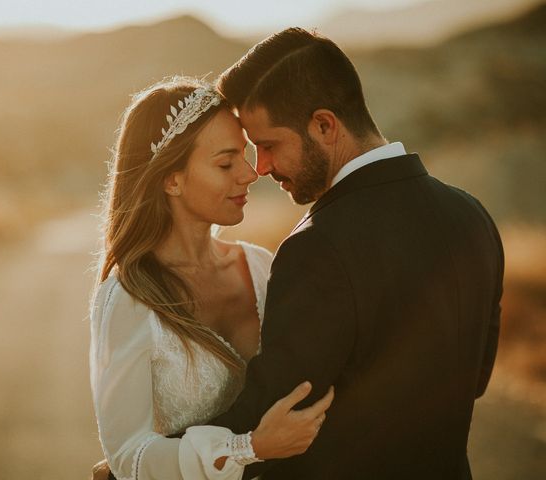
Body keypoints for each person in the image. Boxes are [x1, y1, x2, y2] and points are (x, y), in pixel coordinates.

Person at [192, 27, 503, 480]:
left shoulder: (317, 247)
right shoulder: (472, 215)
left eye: (270, 145)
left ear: (324, 124)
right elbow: (476, 380)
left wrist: (141, 468)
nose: (261, 167)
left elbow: (273, 412)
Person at [89, 77, 335, 480]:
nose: (249, 174)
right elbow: (127, 457)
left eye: (244, 155)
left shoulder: (261, 267)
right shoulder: (129, 297)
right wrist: (246, 448)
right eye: (225, 163)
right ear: (171, 180)